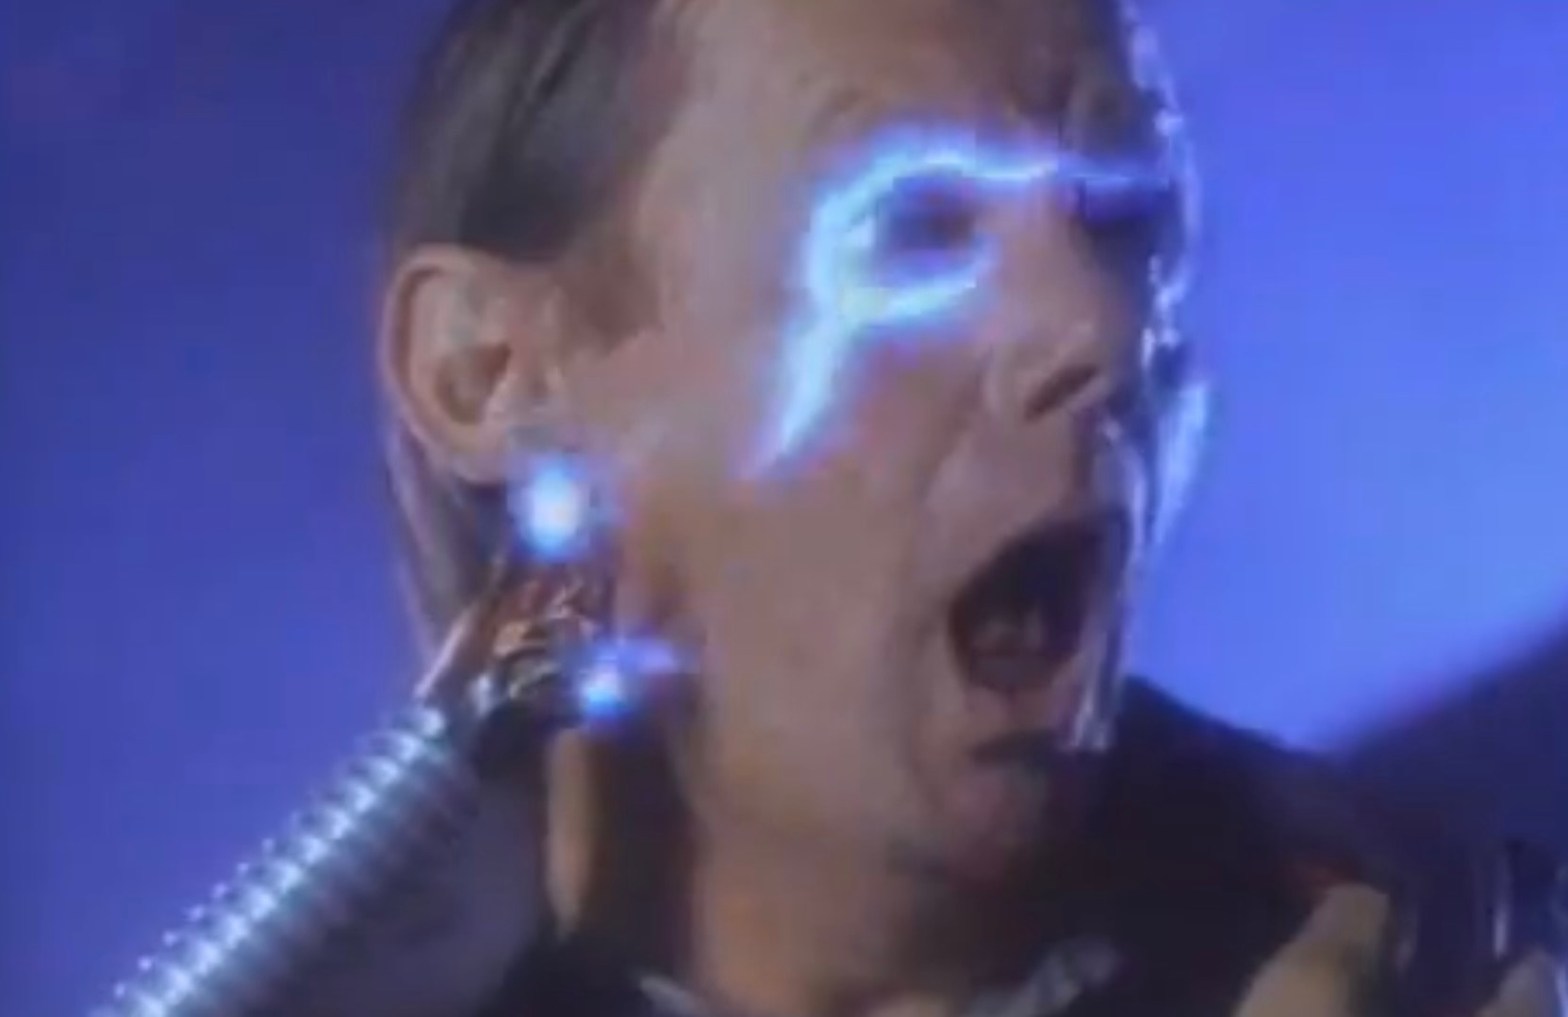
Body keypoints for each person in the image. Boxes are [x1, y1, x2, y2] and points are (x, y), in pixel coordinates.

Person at [369, 0, 1564, 1015]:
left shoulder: (1443, 942)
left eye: (1123, 221)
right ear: (490, 375)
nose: (1097, 326)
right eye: (914, 230)